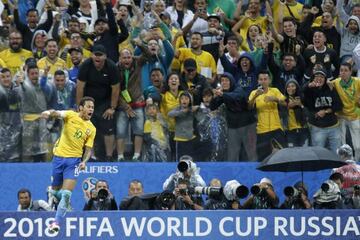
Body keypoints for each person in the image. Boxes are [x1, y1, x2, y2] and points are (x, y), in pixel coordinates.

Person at [42, 96, 96, 233]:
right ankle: (55, 195)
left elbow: (88, 149)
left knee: (66, 195)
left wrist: (84, 162)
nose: (91, 109)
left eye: (92, 107)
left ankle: (56, 223)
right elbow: (57, 113)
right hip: (58, 159)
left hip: (74, 162)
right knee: (55, 191)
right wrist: (49, 113)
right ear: (81, 108)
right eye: (88, 106)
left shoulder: (92, 128)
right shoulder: (70, 115)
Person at [76, 44, 120, 161]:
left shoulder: (111, 67)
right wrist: (80, 107)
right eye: (96, 54)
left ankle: (109, 156)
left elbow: (116, 88)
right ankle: (91, 156)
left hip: (106, 101)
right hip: (88, 100)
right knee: (88, 128)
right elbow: (80, 87)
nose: (98, 58)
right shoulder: (85, 66)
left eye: (100, 55)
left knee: (108, 127)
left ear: (105, 56)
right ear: (92, 55)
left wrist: (112, 107)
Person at [248, 70, 287, 161]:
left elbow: (285, 103)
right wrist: (255, 97)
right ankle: (263, 175)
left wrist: (276, 99)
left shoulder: (275, 91)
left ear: (269, 80)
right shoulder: (254, 93)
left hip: (276, 128)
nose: (263, 81)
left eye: (265, 79)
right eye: (261, 79)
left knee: (282, 157)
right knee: (263, 158)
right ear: (258, 81)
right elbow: (249, 107)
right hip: (262, 130)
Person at [303, 68, 343, 152]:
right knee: (319, 153)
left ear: (325, 79)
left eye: (321, 76)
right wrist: (308, 87)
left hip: (334, 127)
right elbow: (303, 100)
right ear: (313, 78)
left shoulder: (330, 88)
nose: (319, 78)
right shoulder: (309, 90)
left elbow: (339, 106)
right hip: (318, 128)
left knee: (336, 153)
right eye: (316, 76)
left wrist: (325, 111)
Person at [330, 63, 360, 161]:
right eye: (341, 70)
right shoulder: (336, 82)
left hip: (354, 116)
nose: (343, 72)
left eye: (346, 70)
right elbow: (327, 83)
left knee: (357, 146)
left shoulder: (357, 81)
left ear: (351, 72)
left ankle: (356, 163)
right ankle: (343, 163)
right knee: (342, 145)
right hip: (341, 116)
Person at [0, 68, 22, 162]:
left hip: (17, 134)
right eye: (3, 77)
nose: (6, 79)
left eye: (8, 76)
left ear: (11, 77)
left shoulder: (18, 91)